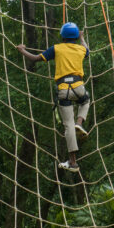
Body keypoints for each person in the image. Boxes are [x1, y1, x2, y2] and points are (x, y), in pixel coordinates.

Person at [16, 22, 90, 173]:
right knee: (86, 101)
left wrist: (22, 50)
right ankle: (80, 122)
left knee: (67, 126)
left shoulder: (56, 48)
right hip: (79, 88)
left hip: (64, 90)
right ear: (76, 36)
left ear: (62, 36)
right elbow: (87, 49)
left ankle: (73, 163)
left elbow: (36, 58)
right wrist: (82, 37)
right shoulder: (81, 49)